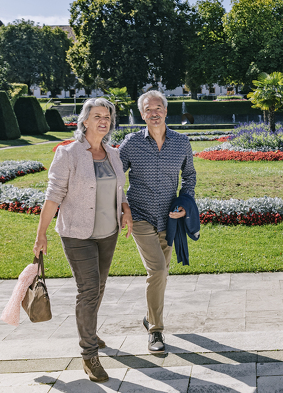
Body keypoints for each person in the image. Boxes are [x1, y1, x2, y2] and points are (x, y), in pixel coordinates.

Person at [33, 98, 133, 383]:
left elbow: (119, 189)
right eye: (97, 116)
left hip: (108, 232)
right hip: (77, 234)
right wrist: (41, 235)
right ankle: (89, 355)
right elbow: (53, 196)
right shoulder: (69, 153)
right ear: (85, 121)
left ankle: (90, 331)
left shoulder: (113, 154)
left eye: (108, 117)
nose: (104, 121)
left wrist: (125, 211)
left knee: (99, 287)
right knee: (88, 290)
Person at [119, 90, 196, 354]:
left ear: (166, 111)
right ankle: (156, 332)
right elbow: (116, 178)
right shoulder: (130, 143)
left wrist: (184, 205)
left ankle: (150, 317)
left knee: (161, 273)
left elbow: (189, 177)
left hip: (169, 218)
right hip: (139, 215)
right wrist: (123, 208)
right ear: (142, 114)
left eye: (158, 107)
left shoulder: (181, 142)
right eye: (148, 109)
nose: (154, 113)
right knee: (158, 271)